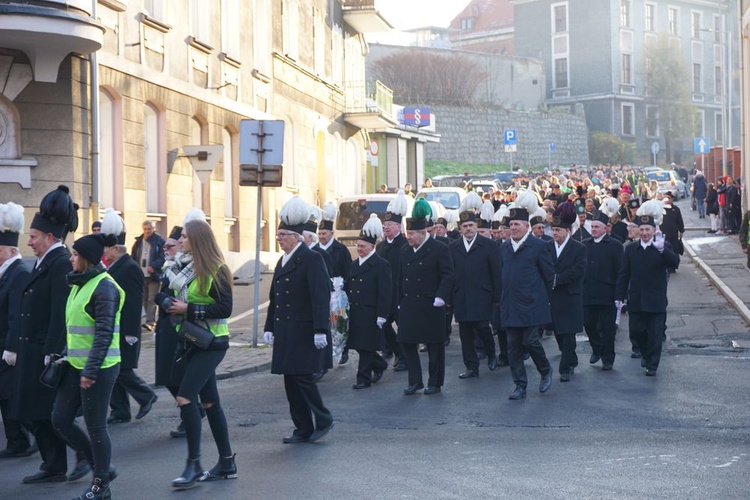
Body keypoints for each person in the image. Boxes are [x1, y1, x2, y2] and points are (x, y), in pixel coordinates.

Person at [9, 185, 85, 484]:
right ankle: (53, 464)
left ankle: (84, 456)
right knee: (32, 410)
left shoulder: (58, 263)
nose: (29, 241)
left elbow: (59, 312)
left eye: (34, 236)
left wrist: (52, 352)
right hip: (32, 347)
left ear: (50, 237)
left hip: (45, 350)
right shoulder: (46, 260)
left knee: (49, 413)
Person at [165, 210, 236, 487]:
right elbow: (174, 296)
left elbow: (225, 308)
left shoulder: (217, 268)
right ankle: (227, 462)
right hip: (193, 341)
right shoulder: (185, 267)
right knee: (210, 403)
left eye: (184, 236)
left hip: (213, 343)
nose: (180, 240)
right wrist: (167, 302)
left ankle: (193, 465)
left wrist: (189, 309)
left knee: (185, 397)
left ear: (196, 239)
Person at [51, 232, 123, 500]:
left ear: (87, 260)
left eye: (75, 255)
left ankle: (100, 486)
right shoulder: (79, 283)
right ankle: (102, 469)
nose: (70, 259)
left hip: (100, 368)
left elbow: (104, 333)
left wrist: (90, 371)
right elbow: (75, 329)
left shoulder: (104, 287)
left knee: (96, 428)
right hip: (75, 365)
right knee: (59, 420)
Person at [263, 196, 334, 444]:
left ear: (297, 236)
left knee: (303, 378)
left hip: (304, 331)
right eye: (279, 234)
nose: (279, 238)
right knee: (290, 381)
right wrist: (269, 326)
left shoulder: (312, 259)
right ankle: (302, 427)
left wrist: (320, 330)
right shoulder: (282, 260)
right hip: (285, 330)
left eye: (283, 234)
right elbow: (275, 298)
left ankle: (323, 418)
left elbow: (320, 296)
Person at [100, 209, 158, 425]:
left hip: (125, 329)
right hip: (114, 328)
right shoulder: (116, 266)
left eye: (107, 248)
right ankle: (120, 410)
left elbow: (134, 304)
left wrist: (130, 333)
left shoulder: (129, 268)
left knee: (122, 369)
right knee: (112, 368)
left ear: (116, 248)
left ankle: (146, 396)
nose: (104, 252)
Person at [498, 191, 554, 400]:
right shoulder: (504, 248)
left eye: (517, 225)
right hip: (510, 305)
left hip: (532, 304)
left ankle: (545, 370)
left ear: (526, 226)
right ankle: (520, 385)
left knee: (530, 341)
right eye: (511, 225)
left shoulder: (539, 246)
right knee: (513, 347)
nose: (513, 228)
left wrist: (544, 301)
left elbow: (549, 276)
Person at [615, 200, 680, 376]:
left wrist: (662, 251)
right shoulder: (630, 249)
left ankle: (652, 364)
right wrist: (619, 297)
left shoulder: (662, 246)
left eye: (647, 230)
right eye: (641, 229)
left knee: (655, 334)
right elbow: (624, 274)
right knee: (637, 332)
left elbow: (674, 262)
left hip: (656, 301)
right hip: (636, 300)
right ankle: (645, 353)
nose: (644, 233)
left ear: (653, 231)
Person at [397, 199, 454, 395]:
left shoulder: (439, 249)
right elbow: (399, 277)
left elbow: (448, 275)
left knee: (434, 346)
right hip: (410, 303)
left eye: (412, 234)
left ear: (423, 234)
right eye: (408, 233)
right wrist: (398, 301)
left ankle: (435, 382)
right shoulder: (405, 250)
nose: (409, 237)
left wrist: (441, 296)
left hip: (432, 303)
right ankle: (415, 381)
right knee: (406, 341)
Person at [0, 203, 35, 458]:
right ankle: (17, 440)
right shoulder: (6, 271)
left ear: (12, 250)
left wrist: (12, 348)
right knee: (6, 396)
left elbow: (17, 315)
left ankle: (22, 439)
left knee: (10, 396)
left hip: (8, 346)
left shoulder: (19, 272)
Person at [449, 205, 500, 379]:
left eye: (471, 225)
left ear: (476, 226)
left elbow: (496, 272)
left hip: (482, 295)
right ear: (460, 228)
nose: (468, 229)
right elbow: (450, 273)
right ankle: (471, 366)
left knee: (483, 328)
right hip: (461, 295)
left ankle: (492, 354)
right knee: (465, 333)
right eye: (465, 226)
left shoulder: (489, 245)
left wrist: (497, 297)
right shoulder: (453, 247)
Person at [155, 225, 193, 438]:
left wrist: (163, 299)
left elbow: (179, 297)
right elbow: (162, 295)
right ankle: (191, 411)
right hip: (165, 325)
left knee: (176, 375)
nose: (165, 249)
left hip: (179, 327)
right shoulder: (169, 265)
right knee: (166, 376)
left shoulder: (185, 266)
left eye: (169, 245)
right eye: (164, 246)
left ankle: (190, 415)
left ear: (180, 245)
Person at [346, 214, 391, 389]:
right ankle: (379, 364)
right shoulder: (354, 265)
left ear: (372, 247)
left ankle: (363, 378)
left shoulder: (381, 265)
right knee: (358, 344)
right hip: (355, 311)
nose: (359, 249)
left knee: (365, 346)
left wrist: (382, 314)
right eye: (358, 246)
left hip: (370, 312)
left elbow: (385, 292)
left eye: (363, 246)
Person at [548, 202, 586, 382]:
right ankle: (571, 357)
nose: (555, 233)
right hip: (553, 297)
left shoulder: (578, 248)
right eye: (553, 230)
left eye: (558, 230)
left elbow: (578, 270)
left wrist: (557, 279)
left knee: (568, 332)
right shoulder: (547, 247)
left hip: (570, 296)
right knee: (558, 332)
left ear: (567, 231)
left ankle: (565, 369)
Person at [582, 208, 624, 371]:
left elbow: (621, 272)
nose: (593, 230)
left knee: (608, 328)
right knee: (589, 324)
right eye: (592, 227)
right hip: (588, 293)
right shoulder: (584, 245)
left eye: (597, 227)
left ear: (605, 228)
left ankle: (608, 358)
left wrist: (620, 295)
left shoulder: (615, 246)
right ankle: (596, 348)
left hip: (608, 294)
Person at [376, 190, 409, 372]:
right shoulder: (381, 246)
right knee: (384, 325)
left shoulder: (404, 245)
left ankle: (404, 357)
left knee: (403, 329)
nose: (387, 227)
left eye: (390, 224)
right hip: (384, 294)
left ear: (398, 227)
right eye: (385, 224)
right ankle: (397, 352)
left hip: (400, 293)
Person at [317, 202, 353, 364]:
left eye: (324, 233)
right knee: (325, 324)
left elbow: (348, 271)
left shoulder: (341, 250)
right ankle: (325, 357)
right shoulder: (314, 251)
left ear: (331, 233)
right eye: (320, 233)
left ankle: (343, 348)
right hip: (322, 293)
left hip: (338, 294)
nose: (321, 236)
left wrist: (343, 286)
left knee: (339, 324)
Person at [131, 220, 165, 331]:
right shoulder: (139, 242)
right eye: (145, 229)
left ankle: (150, 321)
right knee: (144, 299)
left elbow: (162, 257)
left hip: (153, 275)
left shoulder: (159, 241)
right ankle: (148, 320)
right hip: (141, 275)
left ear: (153, 229)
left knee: (152, 299)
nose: (147, 231)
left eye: (149, 229)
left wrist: (153, 266)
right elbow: (134, 257)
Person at [660, 193, 684, 272]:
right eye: (665, 198)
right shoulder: (660, 209)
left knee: (674, 250)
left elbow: (679, 221)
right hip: (663, 233)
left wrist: (681, 230)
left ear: (671, 199)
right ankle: (666, 266)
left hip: (673, 234)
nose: (667, 200)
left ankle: (674, 266)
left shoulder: (676, 209)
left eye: (669, 198)